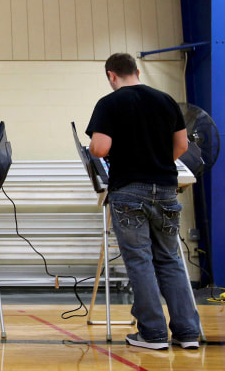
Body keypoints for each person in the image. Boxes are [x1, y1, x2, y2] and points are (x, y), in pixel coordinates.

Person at [86, 53, 201, 350]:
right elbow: (182, 146)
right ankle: (188, 332)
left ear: (111, 75)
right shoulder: (166, 100)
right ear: (137, 71)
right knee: (171, 259)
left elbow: (99, 149)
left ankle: (153, 334)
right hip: (165, 188)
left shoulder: (109, 104)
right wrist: (157, 163)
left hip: (128, 190)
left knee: (140, 261)